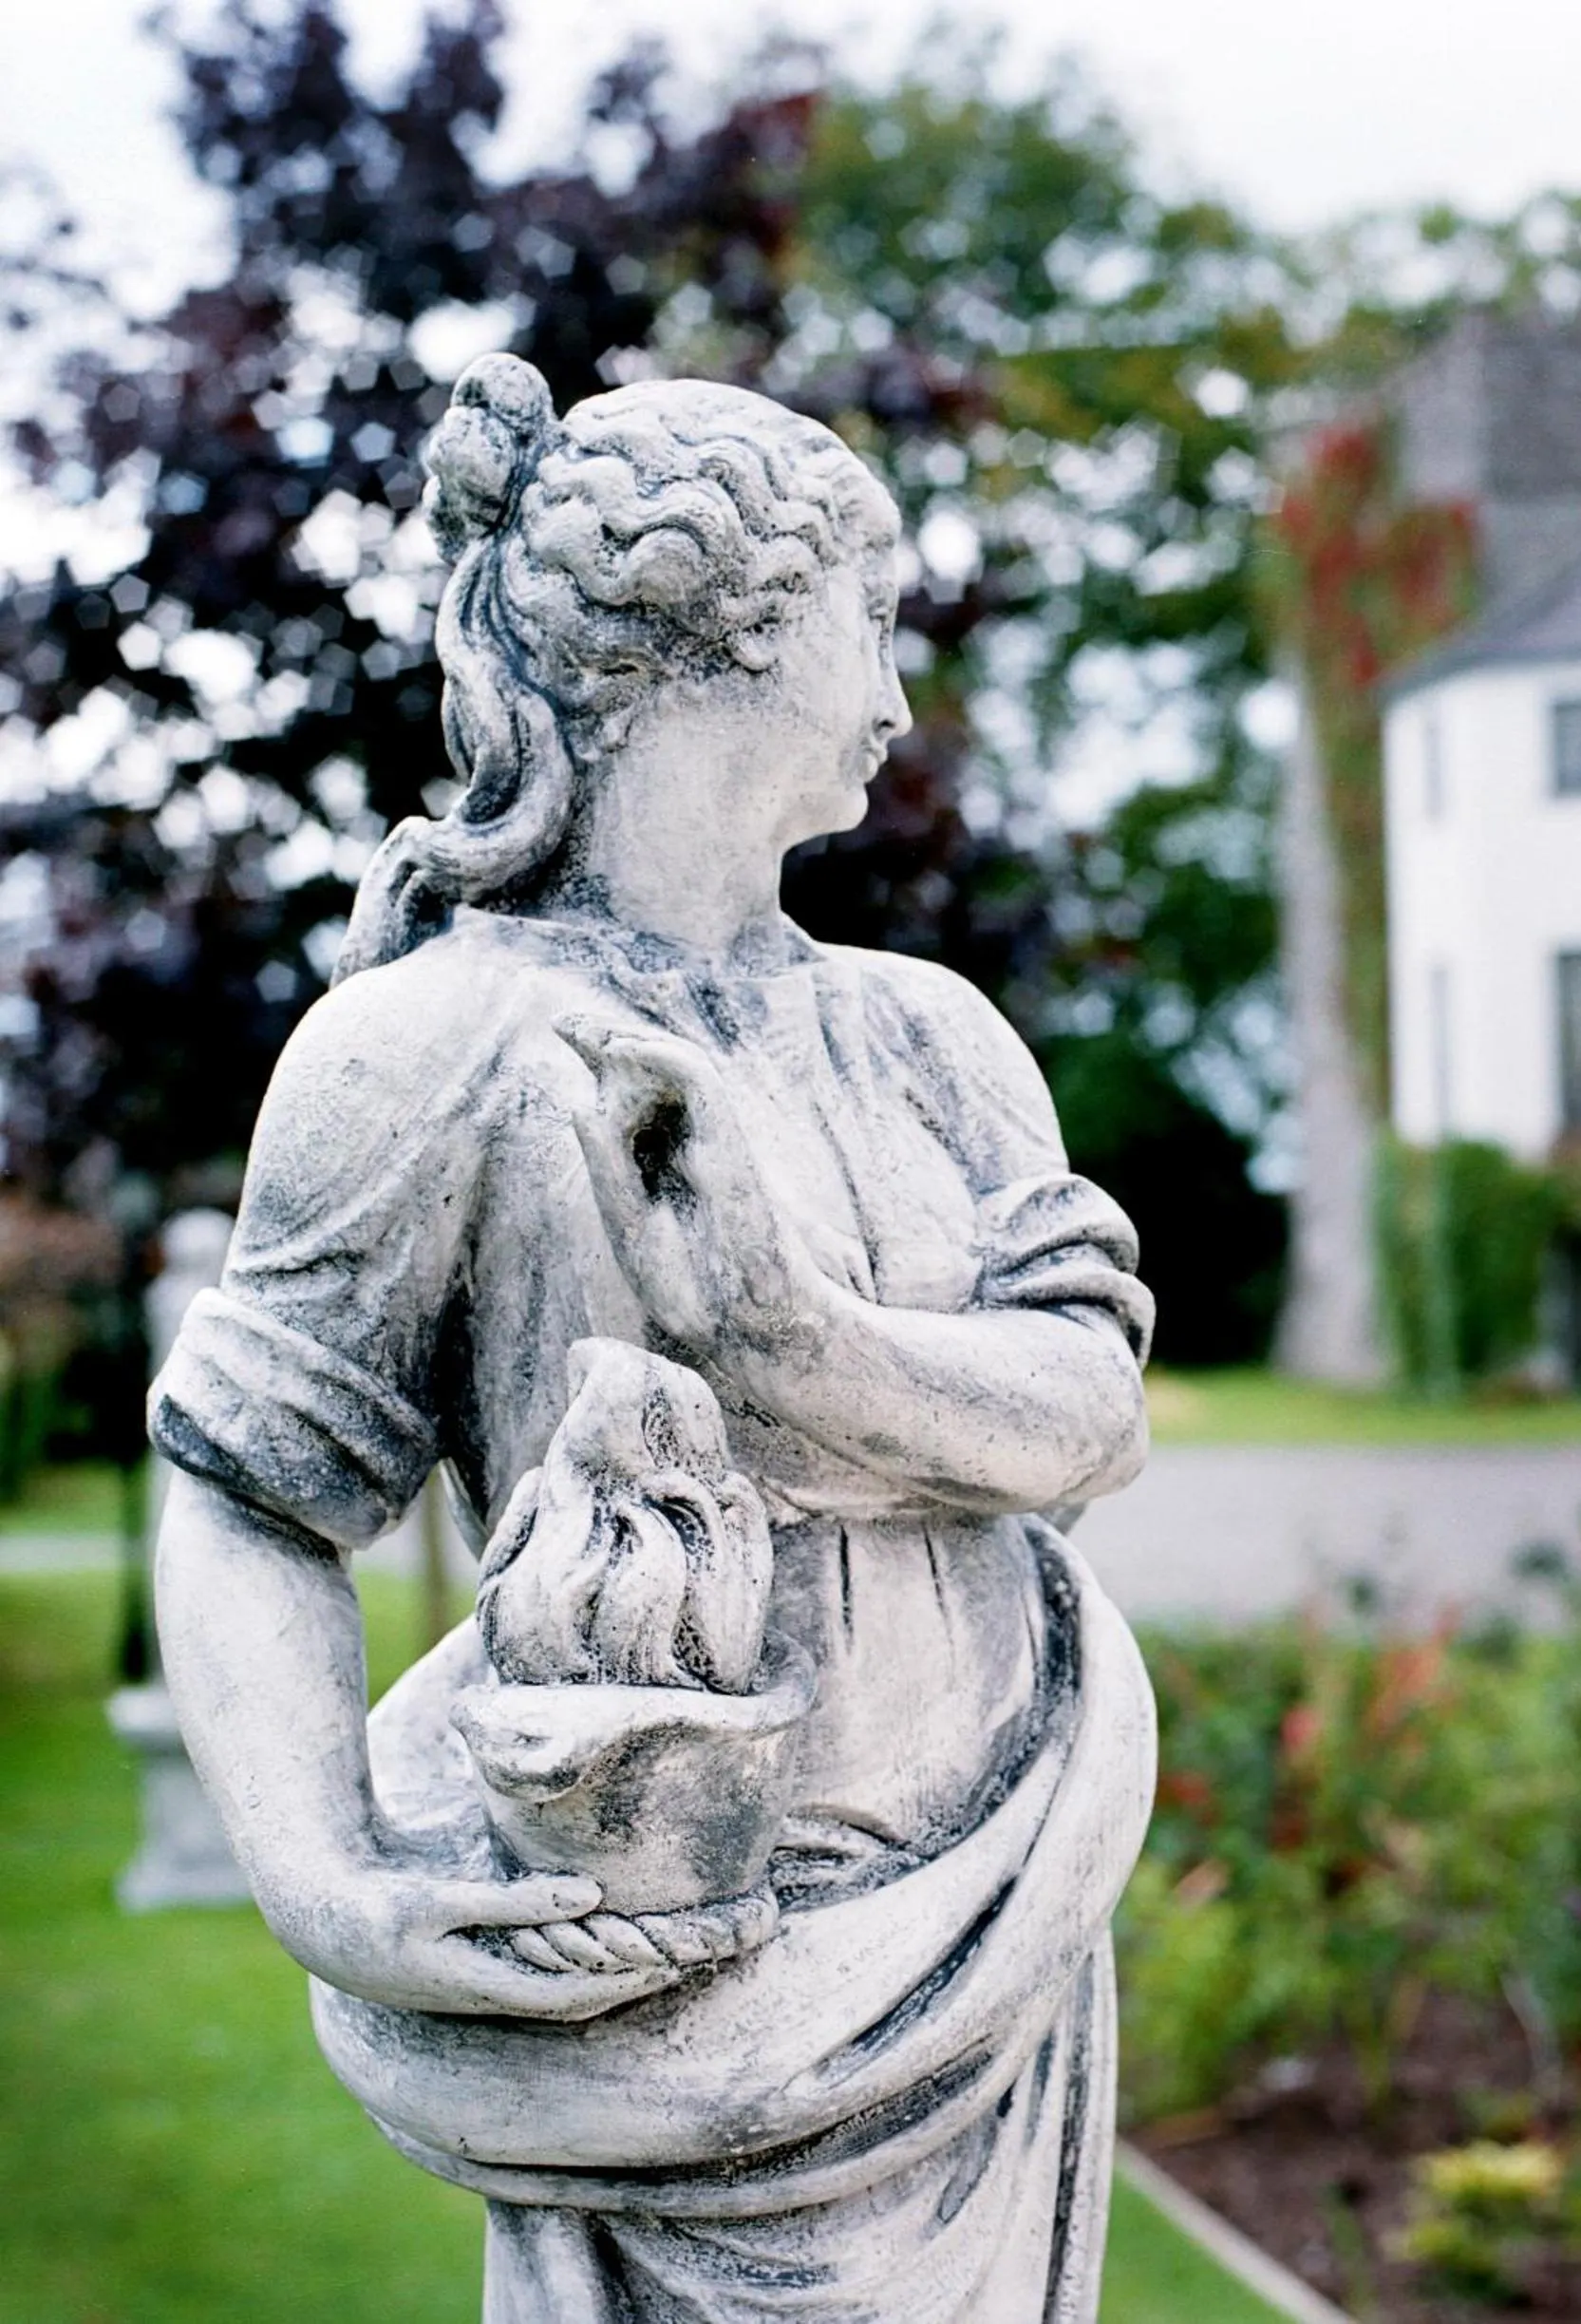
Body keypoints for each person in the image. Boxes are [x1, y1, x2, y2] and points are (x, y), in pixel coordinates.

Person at [149, 352, 1157, 2323]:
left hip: (990, 1912)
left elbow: (1083, 1416)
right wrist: (322, 1871)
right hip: (662, 1949)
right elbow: (248, 1497)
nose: (887, 693)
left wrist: (788, 1339)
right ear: (733, 627)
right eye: (868, 620)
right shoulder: (432, 1048)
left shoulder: (923, 1034)